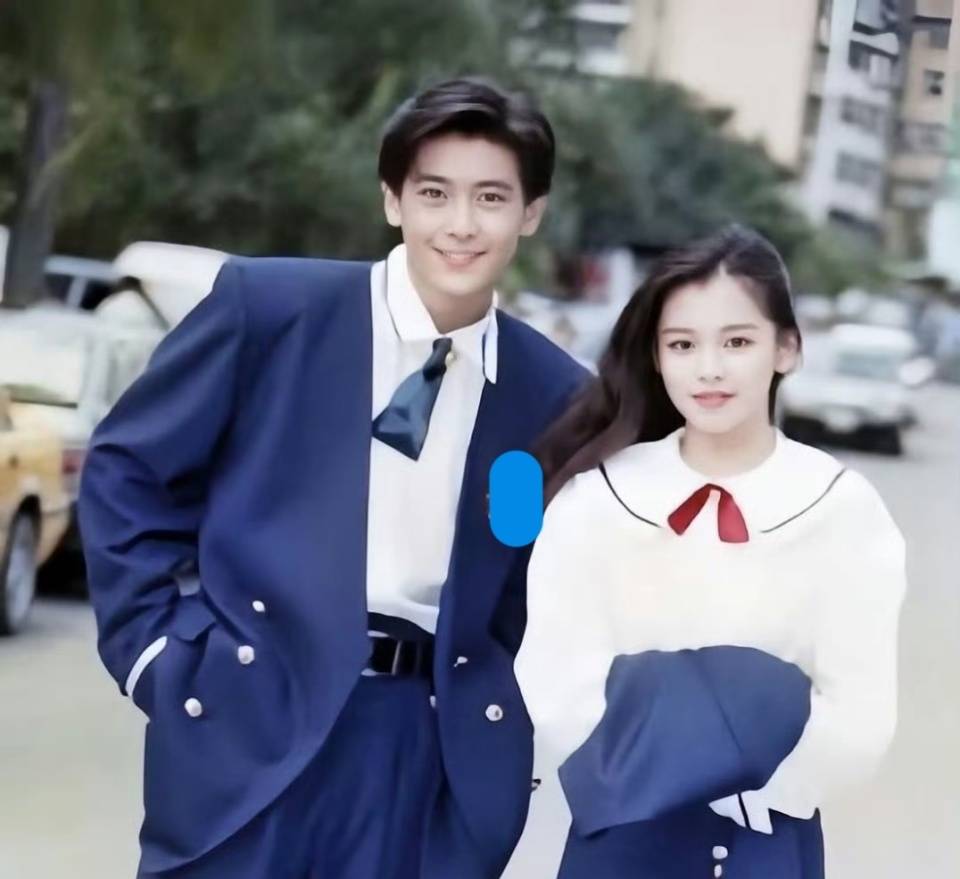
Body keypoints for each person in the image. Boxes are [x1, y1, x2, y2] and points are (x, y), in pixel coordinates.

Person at [78, 77, 587, 879]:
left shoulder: (548, 393)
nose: (461, 223)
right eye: (434, 193)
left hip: (423, 749)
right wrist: (156, 654)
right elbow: (128, 469)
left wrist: (504, 722)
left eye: (491, 197)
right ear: (392, 199)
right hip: (250, 709)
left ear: (531, 213)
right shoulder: (272, 310)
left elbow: (519, 567)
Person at [514, 224, 906, 878]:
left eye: (738, 342)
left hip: (769, 832)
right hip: (621, 829)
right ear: (656, 356)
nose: (710, 368)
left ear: (787, 348)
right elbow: (553, 678)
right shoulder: (596, 498)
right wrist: (641, 769)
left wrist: (776, 789)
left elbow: (861, 708)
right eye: (683, 344)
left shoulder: (843, 509)